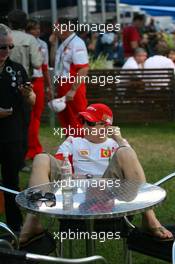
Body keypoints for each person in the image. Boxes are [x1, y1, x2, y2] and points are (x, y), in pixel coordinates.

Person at [19, 103, 173, 244]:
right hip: (76, 191)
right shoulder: (74, 141)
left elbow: (131, 164)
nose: (85, 126)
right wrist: (74, 177)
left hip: (111, 191)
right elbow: (60, 165)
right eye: (83, 121)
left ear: (106, 126)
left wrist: (118, 138)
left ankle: (149, 219)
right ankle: (33, 220)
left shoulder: (116, 145)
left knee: (126, 153)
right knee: (41, 158)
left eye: (91, 123)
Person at [0, 24, 36, 232]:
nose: (7, 52)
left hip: (13, 134)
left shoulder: (17, 68)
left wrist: (27, 94)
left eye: (10, 47)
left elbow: (33, 100)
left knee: (12, 180)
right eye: (2, 47)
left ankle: (15, 226)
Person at [51, 17, 89, 135]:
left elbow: (83, 68)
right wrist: (52, 45)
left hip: (72, 85)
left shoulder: (77, 43)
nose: (54, 30)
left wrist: (73, 90)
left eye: (57, 27)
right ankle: (70, 147)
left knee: (76, 119)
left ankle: (81, 148)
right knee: (65, 120)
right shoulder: (63, 44)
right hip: (63, 84)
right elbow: (53, 63)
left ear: (65, 28)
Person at [25, 19, 52, 160]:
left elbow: (45, 67)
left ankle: (34, 148)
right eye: (34, 29)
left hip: (40, 81)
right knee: (29, 116)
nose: (37, 31)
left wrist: (48, 87)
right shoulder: (22, 43)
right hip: (27, 81)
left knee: (36, 115)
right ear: (27, 30)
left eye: (38, 29)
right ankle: (32, 147)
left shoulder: (43, 44)